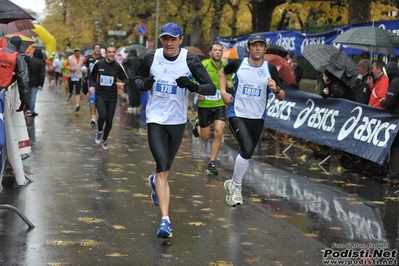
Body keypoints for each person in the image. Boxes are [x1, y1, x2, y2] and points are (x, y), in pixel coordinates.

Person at [134, 22, 216, 238]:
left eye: (173, 39)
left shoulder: (189, 60)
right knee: (162, 168)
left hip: (177, 122)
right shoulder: (152, 57)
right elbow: (136, 78)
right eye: (165, 39)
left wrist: (193, 86)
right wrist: (144, 85)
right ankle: (165, 221)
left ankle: (154, 181)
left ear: (180, 40)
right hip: (155, 120)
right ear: (161, 40)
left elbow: (210, 87)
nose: (169, 43)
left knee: (165, 171)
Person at [219, 33, 285, 206]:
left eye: (261, 46)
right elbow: (222, 73)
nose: (257, 48)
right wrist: (223, 92)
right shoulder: (238, 64)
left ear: (264, 49)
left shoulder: (270, 69)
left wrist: (276, 89)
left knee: (246, 154)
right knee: (247, 149)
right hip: (238, 114)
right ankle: (236, 188)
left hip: (257, 118)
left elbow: (282, 96)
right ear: (248, 48)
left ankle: (232, 183)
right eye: (254, 45)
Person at [192, 43, 233, 175]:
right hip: (205, 105)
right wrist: (199, 91)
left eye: (220, 50)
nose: (217, 52)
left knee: (219, 132)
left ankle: (212, 163)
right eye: (215, 50)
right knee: (205, 137)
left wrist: (229, 84)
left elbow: (230, 82)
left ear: (222, 53)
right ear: (210, 52)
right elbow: (193, 81)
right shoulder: (203, 65)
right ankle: (198, 125)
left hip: (219, 103)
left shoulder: (226, 68)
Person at [89, 44, 128, 151]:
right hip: (101, 94)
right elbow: (91, 75)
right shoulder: (99, 64)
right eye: (109, 52)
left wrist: (122, 83)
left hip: (112, 96)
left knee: (110, 121)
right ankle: (99, 131)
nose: (111, 54)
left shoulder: (117, 66)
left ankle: (105, 139)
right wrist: (92, 86)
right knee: (103, 116)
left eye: (113, 52)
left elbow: (126, 78)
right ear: (105, 53)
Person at [379, 62, 399, 182]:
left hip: (396, 118)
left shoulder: (395, 83)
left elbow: (389, 102)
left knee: (395, 147)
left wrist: (383, 102)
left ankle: (394, 176)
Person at [0, 36, 28, 112]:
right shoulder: (17, 57)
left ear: (9, 43)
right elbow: (23, 79)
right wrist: (24, 100)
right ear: (19, 47)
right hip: (3, 91)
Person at [85, 44, 104, 124]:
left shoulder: (103, 59)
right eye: (95, 48)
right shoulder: (89, 58)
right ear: (93, 49)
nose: (97, 49)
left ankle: (98, 113)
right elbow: (86, 67)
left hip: (101, 82)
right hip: (92, 81)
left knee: (99, 99)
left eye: (98, 48)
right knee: (92, 98)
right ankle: (93, 117)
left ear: (100, 50)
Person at [26, 49, 46, 117]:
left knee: (28, 95)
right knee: (33, 96)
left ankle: (27, 109)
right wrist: (41, 84)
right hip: (36, 82)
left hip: (27, 80)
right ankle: (32, 110)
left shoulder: (29, 60)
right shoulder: (41, 62)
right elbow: (42, 74)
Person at [123, 48, 142, 114]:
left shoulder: (129, 59)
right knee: (137, 92)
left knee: (131, 92)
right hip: (138, 78)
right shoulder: (139, 59)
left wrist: (125, 57)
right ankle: (137, 106)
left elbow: (124, 63)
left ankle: (132, 105)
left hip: (131, 78)